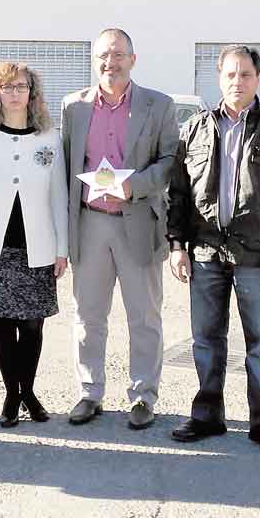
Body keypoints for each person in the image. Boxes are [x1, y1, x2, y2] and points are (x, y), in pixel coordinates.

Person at [166, 46, 260, 454]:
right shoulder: (193, 130)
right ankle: (208, 416)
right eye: (230, 74)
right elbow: (178, 195)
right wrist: (177, 246)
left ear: (257, 79)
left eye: (245, 74)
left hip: (257, 257)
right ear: (219, 78)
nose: (237, 82)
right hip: (205, 253)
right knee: (206, 340)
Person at [61, 28, 178, 430]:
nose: (110, 63)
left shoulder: (158, 105)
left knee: (144, 316)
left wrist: (135, 185)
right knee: (88, 315)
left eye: (118, 55)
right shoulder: (72, 107)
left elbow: (169, 161)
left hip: (137, 221)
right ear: (94, 61)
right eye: (103, 56)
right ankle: (89, 392)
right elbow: (63, 166)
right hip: (90, 223)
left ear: (133, 58)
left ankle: (143, 395)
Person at [0, 62, 68, 427]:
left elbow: (59, 196)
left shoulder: (49, 137)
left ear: (32, 93)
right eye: (8, 87)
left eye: (22, 86)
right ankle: (11, 395)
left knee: (33, 325)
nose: (15, 93)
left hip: (38, 246)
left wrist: (61, 247)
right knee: (3, 322)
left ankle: (28, 392)